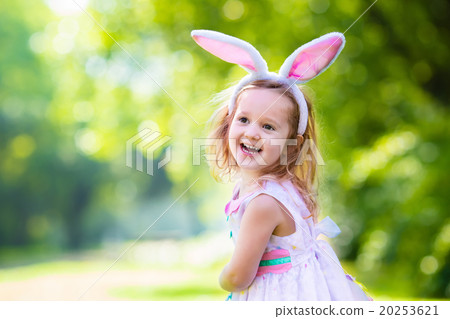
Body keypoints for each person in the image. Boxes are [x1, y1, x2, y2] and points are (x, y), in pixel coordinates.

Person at [192, 30, 373, 301]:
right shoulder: (281, 188)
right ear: (228, 123)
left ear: (293, 144)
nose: (252, 132)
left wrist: (224, 276)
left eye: (268, 126)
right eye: (244, 119)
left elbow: (238, 277)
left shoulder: (263, 203)